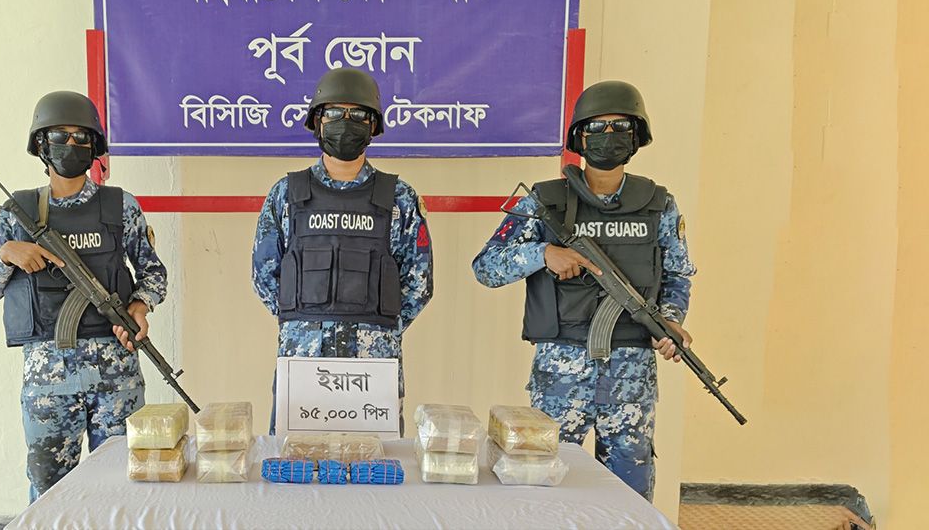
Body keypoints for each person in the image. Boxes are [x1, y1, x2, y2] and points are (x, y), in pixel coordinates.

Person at [471, 80, 696, 501]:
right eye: (597, 127)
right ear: (580, 137)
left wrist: (668, 322)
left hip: (631, 378)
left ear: (637, 137)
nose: (608, 136)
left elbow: (678, 275)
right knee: (544, 490)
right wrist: (543, 253)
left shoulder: (660, 205)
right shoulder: (544, 201)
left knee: (628, 498)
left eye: (620, 127)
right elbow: (486, 267)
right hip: (561, 374)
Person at [0, 91, 167, 502]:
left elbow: (153, 273)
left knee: (123, 488)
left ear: (94, 147)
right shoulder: (17, 212)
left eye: (82, 137)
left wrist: (139, 305)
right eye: (61, 136)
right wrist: (6, 255)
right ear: (42, 145)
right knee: (49, 492)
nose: (72, 145)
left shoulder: (121, 206)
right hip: (49, 379)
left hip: (117, 373)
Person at [251, 68, 433, 435]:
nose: (345, 123)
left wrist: (379, 328)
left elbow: (418, 282)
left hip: (373, 365)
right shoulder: (286, 195)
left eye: (358, 115)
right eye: (334, 113)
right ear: (318, 121)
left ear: (373, 126)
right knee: (296, 463)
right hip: (304, 363)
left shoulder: (399, 198)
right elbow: (265, 275)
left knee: (374, 464)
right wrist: (304, 321)